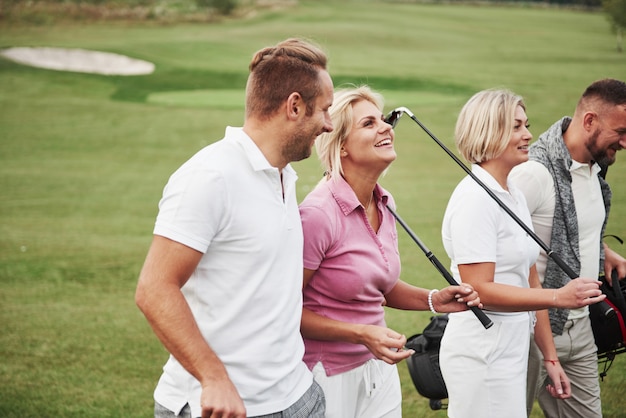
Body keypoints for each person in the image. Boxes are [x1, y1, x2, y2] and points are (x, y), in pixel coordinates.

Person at [134, 38, 334, 418]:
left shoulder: (283, 174)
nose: (328, 124)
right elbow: (154, 288)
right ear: (294, 106)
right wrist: (214, 377)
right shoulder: (210, 177)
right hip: (226, 406)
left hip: (297, 395)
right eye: (324, 110)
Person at [299, 85, 483, 418]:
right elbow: (283, 309)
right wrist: (360, 333)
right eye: (369, 123)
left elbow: (378, 286)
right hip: (325, 373)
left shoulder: (385, 202)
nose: (386, 127)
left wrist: (433, 299)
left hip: (378, 366)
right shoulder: (317, 214)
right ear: (341, 145)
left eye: (383, 120)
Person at [438, 89, 606, 418]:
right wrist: (559, 297)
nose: (528, 134)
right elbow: (479, 291)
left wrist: (550, 358)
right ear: (488, 130)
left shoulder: (511, 191)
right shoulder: (474, 199)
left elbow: (531, 278)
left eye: (525, 125)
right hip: (481, 356)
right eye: (516, 127)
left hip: (512, 348)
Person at [509, 78, 626, 418]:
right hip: (532, 330)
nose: (624, 141)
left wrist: (603, 251)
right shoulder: (533, 172)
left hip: (581, 326)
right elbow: (497, 239)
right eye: (619, 131)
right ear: (589, 121)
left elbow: (566, 225)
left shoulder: (594, 168)